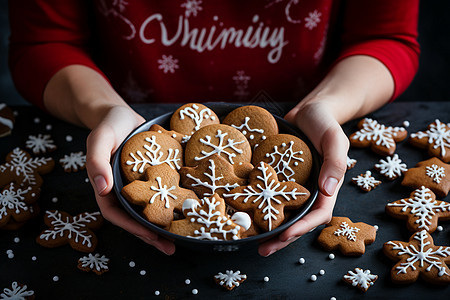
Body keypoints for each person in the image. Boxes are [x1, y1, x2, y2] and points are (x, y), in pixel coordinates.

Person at [8, 0, 420, 256]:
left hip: (295, 115)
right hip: (130, 109)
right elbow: (42, 43)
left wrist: (322, 106)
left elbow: (386, 36)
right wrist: (103, 111)